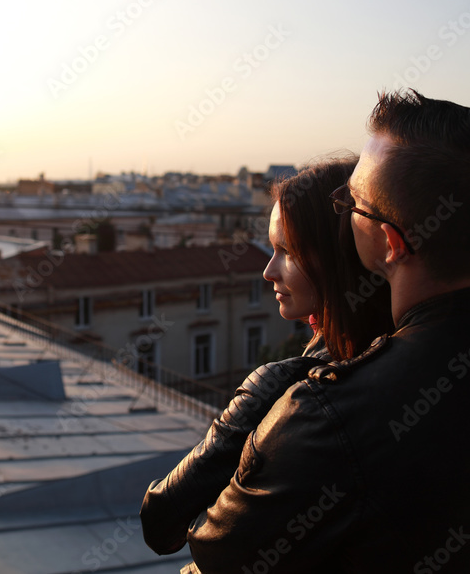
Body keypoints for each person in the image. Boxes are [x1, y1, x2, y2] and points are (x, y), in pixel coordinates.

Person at [182, 90, 470, 573]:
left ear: (389, 241)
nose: (343, 210)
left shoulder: (329, 415)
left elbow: (214, 554)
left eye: (351, 202)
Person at [140, 158, 393, 557]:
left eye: (286, 251)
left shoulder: (281, 388)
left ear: (336, 257)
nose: (268, 271)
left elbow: (159, 522)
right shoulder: (413, 351)